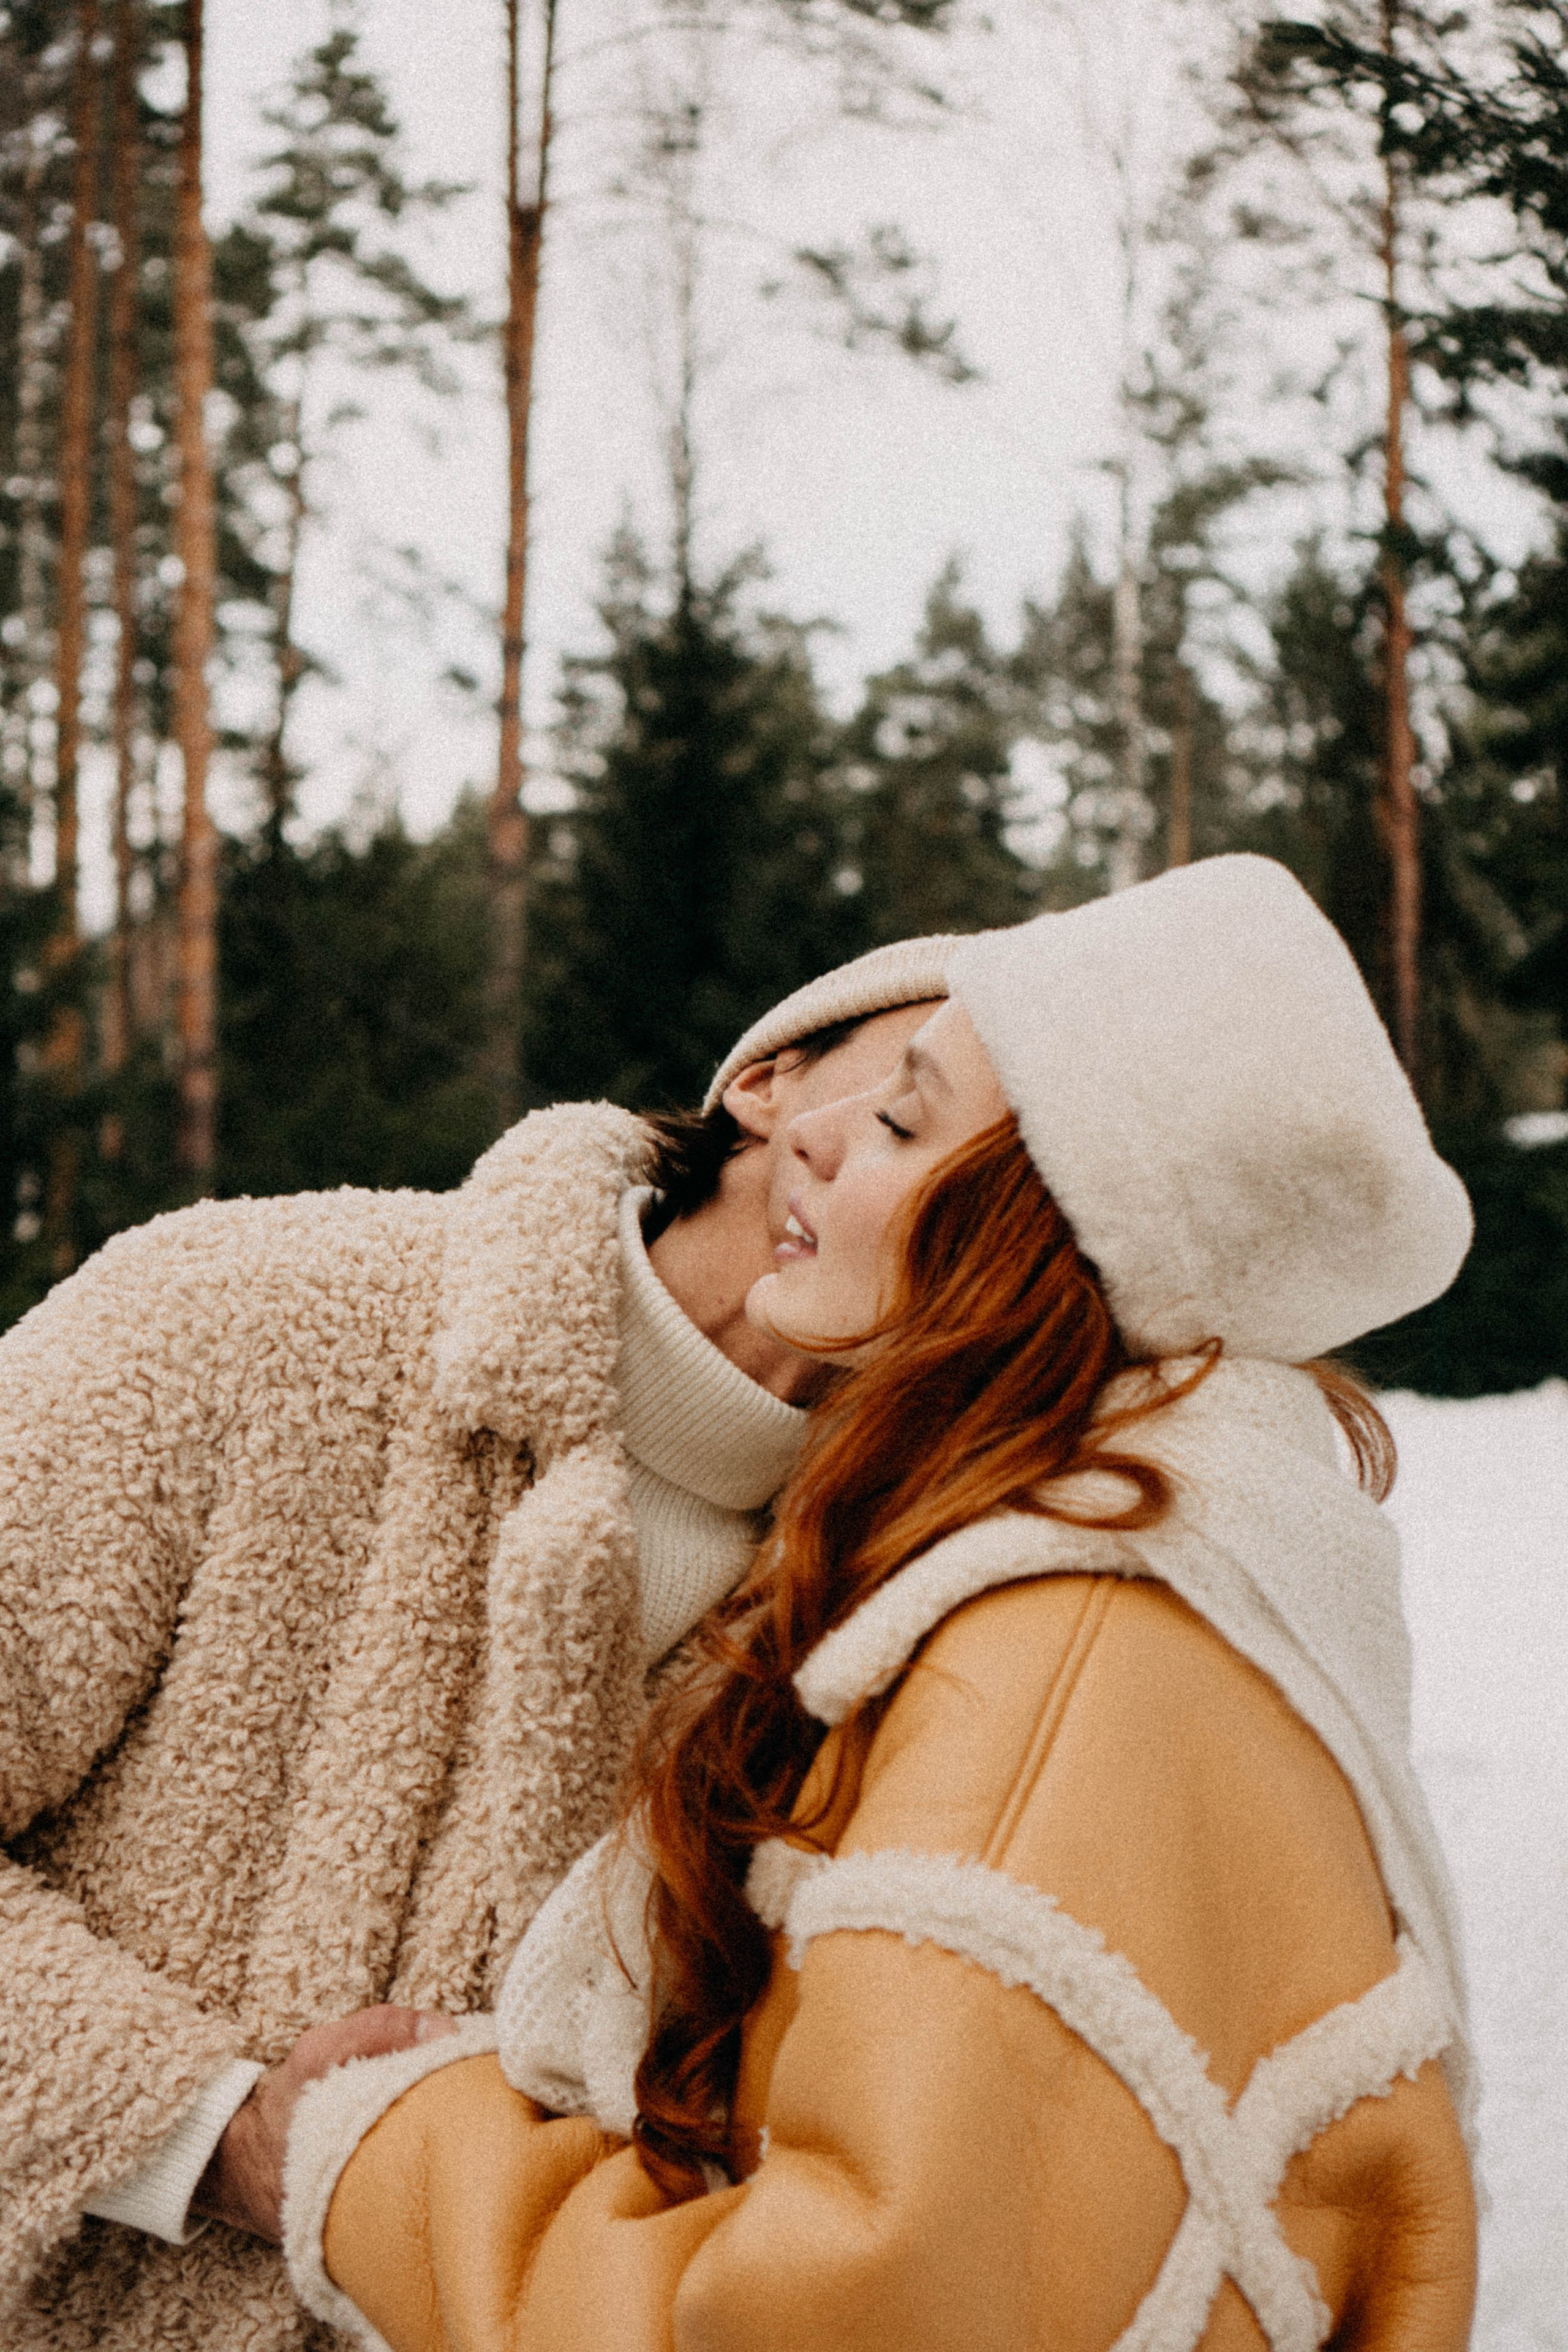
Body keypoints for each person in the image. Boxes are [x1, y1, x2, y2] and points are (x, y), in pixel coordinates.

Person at [282, 854, 1479, 2352]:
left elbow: (854, 2315)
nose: (812, 1134)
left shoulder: (1064, 1657)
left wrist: (379, 2154)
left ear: (1037, 1247)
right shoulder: (1131, 1563)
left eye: (902, 1120)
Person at [0, 936, 960, 2352]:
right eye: (916, 1093)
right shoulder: (242, 1317)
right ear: (769, 1083)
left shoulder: (914, 1614)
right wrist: (207, 2135)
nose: (953, 1178)